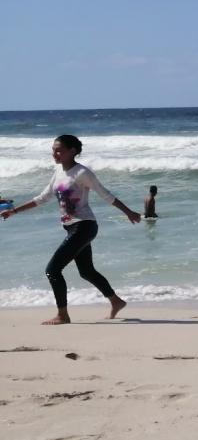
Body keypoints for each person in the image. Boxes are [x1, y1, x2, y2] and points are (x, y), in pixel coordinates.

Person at [0, 134, 141, 325]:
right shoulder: (58, 172)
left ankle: (63, 315)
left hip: (84, 225)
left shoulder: (82, 173)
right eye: (53, 150)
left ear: (72, 151)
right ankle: (116, 301)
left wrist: (128, 212)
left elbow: (105, 195)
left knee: (53, 270)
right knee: (87, 271)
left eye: (59, 150)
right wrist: (14, 211)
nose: (54, 154)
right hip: (72, 227)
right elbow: (42, 198)